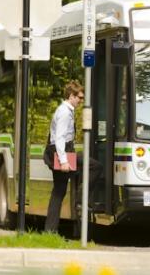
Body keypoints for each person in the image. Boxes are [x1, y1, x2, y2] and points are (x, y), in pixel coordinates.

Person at [44, 80, 102, 233]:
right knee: (95, 166)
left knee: (58, 192)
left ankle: (50, 231)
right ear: (71, 96)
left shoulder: (66, 110)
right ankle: (80, 198)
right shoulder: (64, 112)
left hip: (63, 150)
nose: (81, 101)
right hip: (62, 151)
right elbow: (60, 138)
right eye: (79, 97)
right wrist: (63, 161)